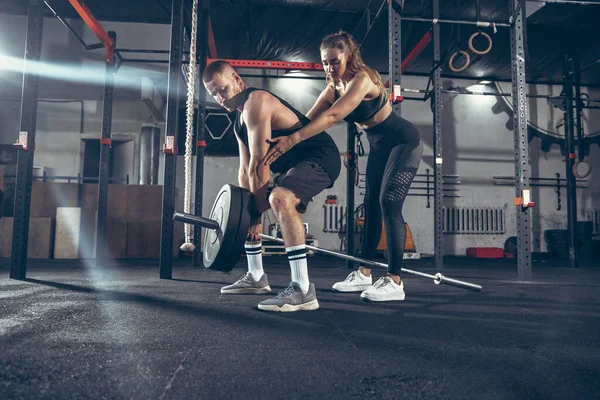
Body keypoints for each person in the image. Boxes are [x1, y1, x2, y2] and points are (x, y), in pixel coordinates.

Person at [262, 31, 422, 302]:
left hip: (403, 141)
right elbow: (305, 122)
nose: (329, 68)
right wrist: (276, 135)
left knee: (388, 203)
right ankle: (364, 272)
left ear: (348, 56)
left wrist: (295, 139)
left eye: (334, 62)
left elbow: (334, 115)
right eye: (324, 63)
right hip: (379, 146)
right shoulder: (332, 87)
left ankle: (395, 280)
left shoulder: (363, 79)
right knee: (370, 204)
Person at [202, 60, 341, 312]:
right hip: (295, 164)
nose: (220, 98)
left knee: (279, 197)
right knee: (246, 203)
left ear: (235, 77)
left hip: (320, 156)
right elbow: (244, 171)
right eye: (214, 95)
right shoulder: (238, 122)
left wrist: (256, 218)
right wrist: (248, 213)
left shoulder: (256, 103)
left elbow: (259, 165)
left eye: (222, 89)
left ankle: (302, 289)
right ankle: (256, 277)